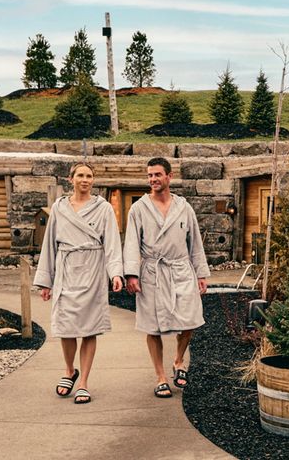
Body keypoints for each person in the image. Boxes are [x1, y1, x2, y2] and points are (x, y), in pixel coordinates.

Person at [33, 162, 123, 405]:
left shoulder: (103, 208)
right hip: (66, 269)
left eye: (89, 176)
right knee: (66, 326)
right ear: (70, 179)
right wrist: (46, 281)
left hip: (93, 270)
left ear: (93, 180)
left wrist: (115, 273)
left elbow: (112, 243)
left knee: (89, 328)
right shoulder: (59, 208)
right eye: (80, 175)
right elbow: (49, 245)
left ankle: (83, 382)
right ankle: (69, 370)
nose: (85, 179)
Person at [123, 157, 209, 399]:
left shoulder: (184, 207)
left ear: (169, 177)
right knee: (153, 326)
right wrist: (131, 274)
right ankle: (160, 377)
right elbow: (131, 242)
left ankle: (179, 360)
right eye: (150, 175)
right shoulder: (139, 208)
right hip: (152, 272)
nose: (153, 179)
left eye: (157, 174)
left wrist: (201, 273)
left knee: (191, 320)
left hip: (180, 270)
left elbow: (195, 244)